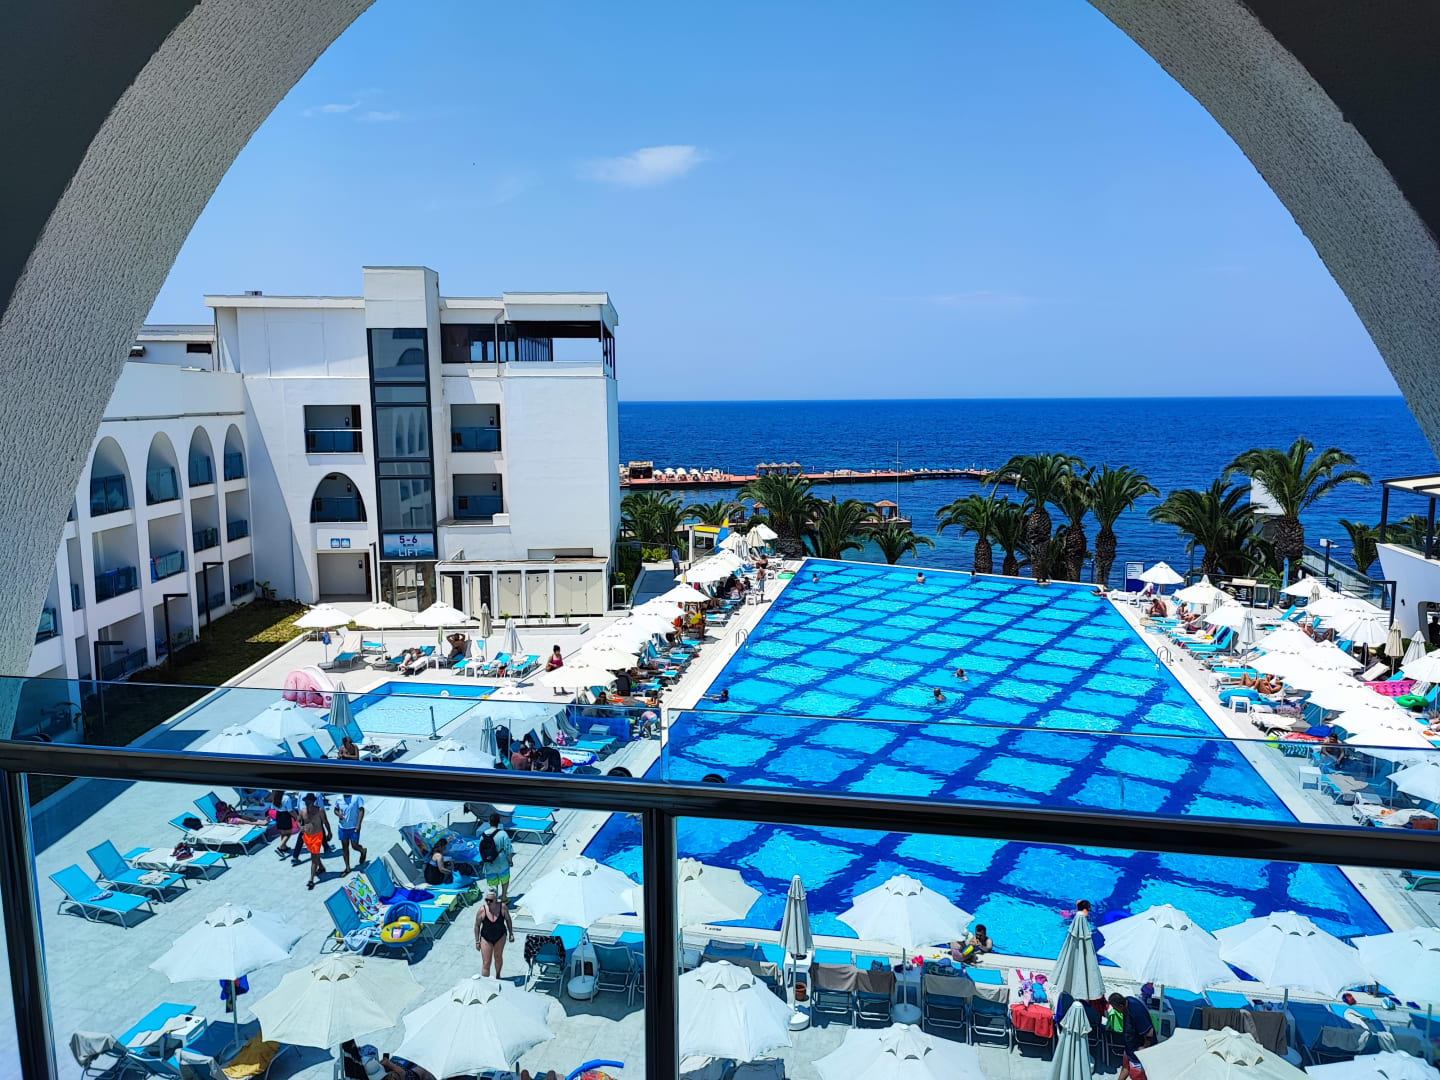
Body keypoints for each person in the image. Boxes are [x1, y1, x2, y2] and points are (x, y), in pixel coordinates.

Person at [1109, 991, 1155, 1080]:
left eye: (1115, 1008)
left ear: (1121, 1006)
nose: (1115, 1010)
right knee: (1125, 1067)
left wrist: (1144, 1048)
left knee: (1136, 1076)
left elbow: (1149, 1032)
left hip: (1137, 1053)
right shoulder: (1127, 1000)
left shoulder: (1135, 1012)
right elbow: (1126, 1068)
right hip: (1129, 1048)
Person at [474, 887, 514, 979]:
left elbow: (508, 920)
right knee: (486, 962)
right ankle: (485, 982)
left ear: (496, 900)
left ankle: (498, 976)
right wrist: (477, 941)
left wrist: (511, 933)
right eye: (486, 900)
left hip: (500, 936)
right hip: (486, 937)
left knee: (498, 957)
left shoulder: (502, 907)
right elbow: (477, 925)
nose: (488, 902)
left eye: (491, 900)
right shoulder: (482, 910)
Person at [299, 793, 331, 891]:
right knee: (315, 854)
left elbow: (325, 821)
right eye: (306, 802)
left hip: (317, 836)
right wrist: (301, 827)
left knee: (314, 856)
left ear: (313, 802)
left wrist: (329, 832)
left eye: (308, 802)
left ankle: (311, 879)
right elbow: (298, 820)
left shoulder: (319, 810)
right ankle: (321, 867)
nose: (307, 803)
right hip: (307, 836)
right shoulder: (302, 811)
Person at [479, 812, 513, 902]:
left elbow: (481, 849)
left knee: (492, 884)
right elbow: (508, 849)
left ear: (489, 822)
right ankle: (504, 897)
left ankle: (493, 901)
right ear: (499, 822)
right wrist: (510, 861)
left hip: (489, 863)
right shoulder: (503, 834)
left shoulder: (483, 834)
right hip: (502, 862)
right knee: (505, 880)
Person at [333, 792, 367, 874]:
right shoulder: (339, 798)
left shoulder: (357, 797)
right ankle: (347, 868)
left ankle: (363, 851)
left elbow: (361, 810)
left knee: (354, 846)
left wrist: (358, 824)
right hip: (342, 827)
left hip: (353, 827)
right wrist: (339, 814)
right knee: (345, 847)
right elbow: (335, 809)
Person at [270, 790, 297, 858]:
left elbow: (272, 808)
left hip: (278, 815)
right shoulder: (286, 798)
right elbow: (290, 810)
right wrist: (296, 817)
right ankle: (280, 847)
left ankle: (284, 847)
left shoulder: (275, 797)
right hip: (285, 816)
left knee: (283, 833)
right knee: (288, 833)